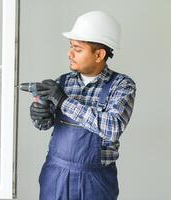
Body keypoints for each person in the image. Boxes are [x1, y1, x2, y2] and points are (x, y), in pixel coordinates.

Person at [30, 10, 136, 200]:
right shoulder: (61, 82)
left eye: (78, 49)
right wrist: (39, 115)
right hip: (56, 175)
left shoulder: (122, 85)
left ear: (99, 55)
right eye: (71, 47)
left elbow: (112, 127)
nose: (70, 54)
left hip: (95, 181)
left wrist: (63, 101)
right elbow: (44, 125)